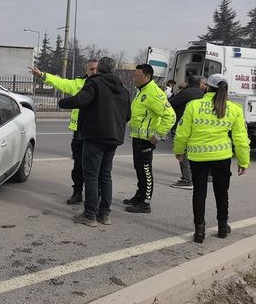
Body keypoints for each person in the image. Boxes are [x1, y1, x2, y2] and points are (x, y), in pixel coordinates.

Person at [173, 73, 250, 243]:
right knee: (222, 192)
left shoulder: (194, 106)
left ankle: (199, 231)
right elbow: (240, 139)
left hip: (197, 157)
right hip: (221, 157)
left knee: (199, 193)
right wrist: (243, 161)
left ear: (207, 86)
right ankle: (223, 227)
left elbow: (182, 133)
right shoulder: (234, 109)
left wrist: (179, 151)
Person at [58, 57, 131, 227]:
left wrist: (62, 102)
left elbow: (79, 100)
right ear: (113, 70)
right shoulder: (123, 90)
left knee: (91, 176)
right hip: (114, 138)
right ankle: (104, 214)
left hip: (95, 136)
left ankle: (90, 215)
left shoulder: (94, 83)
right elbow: (127, 115)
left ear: (98, 70)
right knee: (105, 176)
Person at [29, 59, 99, 204]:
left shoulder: (102, 85)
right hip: (79, 133)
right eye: (91, 69)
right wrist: (42, 75)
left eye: (96, 69)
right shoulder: (78, 84)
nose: (94, 72)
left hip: (94, 133)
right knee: (78, 166)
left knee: (94, 168)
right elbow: (60, 83)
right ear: (86, 70)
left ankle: (94, 198)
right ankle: (77, 193)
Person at [125, 64, 176, 213]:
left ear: (147, 77)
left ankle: (145, 203)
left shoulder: (153, 93)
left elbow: (170, 116)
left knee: (145, 170)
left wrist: (158, 135)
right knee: (139, 169)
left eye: (137, 75)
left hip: (146, 140)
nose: (134, 77)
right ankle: (139, 196)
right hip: (138, 137)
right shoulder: (142, 91)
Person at [168, 75, 206, 189]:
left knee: (183, 152)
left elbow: (171, 103)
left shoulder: (186, 93)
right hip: (197, 126)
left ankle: (186, 179)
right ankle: (199, 175)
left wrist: (179, 91)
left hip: (183, 125)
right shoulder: (201, 94)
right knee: (194, 152)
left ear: (188, 82)